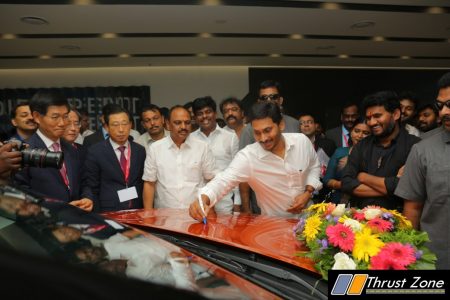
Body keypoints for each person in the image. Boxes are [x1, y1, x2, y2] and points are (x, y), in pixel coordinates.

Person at [189, 102, 321, 221]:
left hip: (310, 221)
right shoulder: (249, 157)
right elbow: (224, 180)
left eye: (267, 130)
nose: (263, 138)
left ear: (281, 124)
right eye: (257, 133)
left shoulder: (302, 142)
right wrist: (203, 198)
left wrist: (308, 192)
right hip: (275, 226)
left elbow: (314, 166)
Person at [395, 72, 450, 269]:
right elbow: (412, 209)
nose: (444, 112)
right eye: (440, 105)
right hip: (438, 260)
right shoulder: (423, 149)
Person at [14, 90, 92, 211]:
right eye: (55, 117)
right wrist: (60, 208)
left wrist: (87, 198)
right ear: (37, 117)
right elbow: (21, 195)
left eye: (65, 116)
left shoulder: (72, 149)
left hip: (77, 220)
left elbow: (84, 181)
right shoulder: (25, 151)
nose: (62, 123)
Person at [341, 91, 420, 210]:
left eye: (377, 116)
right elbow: (346, 183)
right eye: (368, 118)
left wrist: (363, 177)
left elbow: (408, 187)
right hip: (360, 223)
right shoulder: (362, 146)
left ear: (396, 114)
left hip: (399, 224)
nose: (371, 122)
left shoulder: (415, 146)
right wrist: (390, 189)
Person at [239, 80, 300, 213]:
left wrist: (307, 193)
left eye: (273, 97)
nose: (269, 101)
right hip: (264, 204)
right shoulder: (250, 129)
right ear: (258, 102)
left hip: (296, 202)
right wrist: (246, 209)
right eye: (264, 98)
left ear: (281, 100)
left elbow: (304, 163)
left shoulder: (294, 124)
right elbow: (242, 174)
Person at [142, 105, 216, 209]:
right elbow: (149, 184)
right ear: (168, 124)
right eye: (177, 123)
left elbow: (211, 181)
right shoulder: (155, 149)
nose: (183, 127)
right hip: (164, 217)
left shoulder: (203, 147)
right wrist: (148, 215)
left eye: (187, 122)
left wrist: (211, 211)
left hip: (196, 214)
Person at [82, 105, 146, 212]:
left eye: (124, 124)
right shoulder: (95, 151)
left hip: (137, 210)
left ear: (131, 125)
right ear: (107, 127)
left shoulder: (139, 150)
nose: (121, 130)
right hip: (109, 211)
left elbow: (142, 182)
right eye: (115, 125)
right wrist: (88, 199)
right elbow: (90, 184)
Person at [191, 96, 240, 213]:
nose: (204, 116)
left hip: (224, 201)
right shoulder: (190, 139)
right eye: (200, 113)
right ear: (195, 117)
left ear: (215, 114)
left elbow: (237, 171)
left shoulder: (230, 137)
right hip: (197, 201)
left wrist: (238, 202)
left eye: (208, 112)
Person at [323, 120, 371, 204]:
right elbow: (327, 179)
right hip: (339, 202)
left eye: (365, 133)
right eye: (356, 131)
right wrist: (344, 185)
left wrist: (350, 186)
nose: (360, 136)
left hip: (366, 203)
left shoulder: (375, 155)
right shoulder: (340, 152)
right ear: (351, 132)